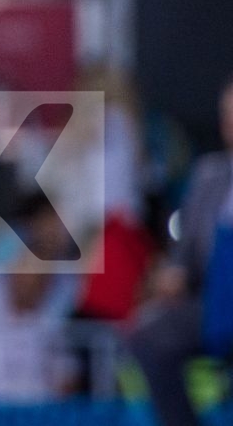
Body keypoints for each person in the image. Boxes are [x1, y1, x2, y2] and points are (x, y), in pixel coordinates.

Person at [128, 73, 233, 426]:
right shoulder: (209, 174)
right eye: (225, 116)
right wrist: (173, 276)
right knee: (150, 334)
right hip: (212, 304)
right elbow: (186, 255)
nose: (229, 125)